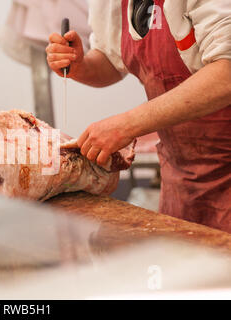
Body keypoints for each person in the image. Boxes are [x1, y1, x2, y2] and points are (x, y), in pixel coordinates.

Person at [46, 0, 231, 232]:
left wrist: (127, 125)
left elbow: (226, 72)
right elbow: (111, 60)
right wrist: (81, 66)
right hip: (180, 177)